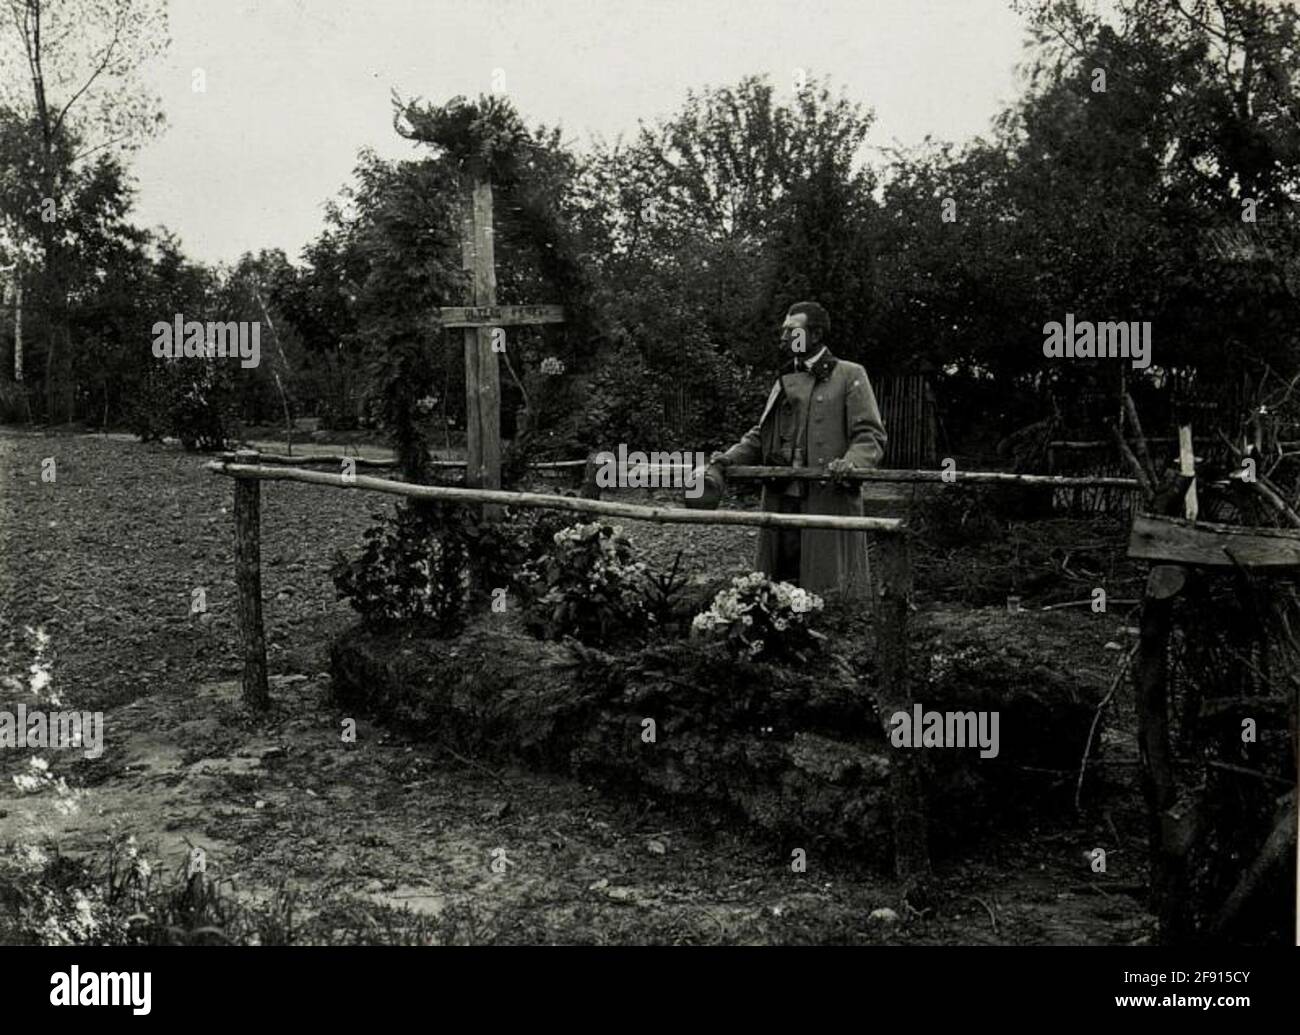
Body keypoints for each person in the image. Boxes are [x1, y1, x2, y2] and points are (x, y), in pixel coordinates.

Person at [693, 301, 887, 599]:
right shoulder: (784, 379)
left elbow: (869, 435)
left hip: (826, 498)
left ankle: (828, 621)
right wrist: (728, 458)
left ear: (816, 334)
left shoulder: (849, 374)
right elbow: (761, 435)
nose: (784, 337)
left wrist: (851, 463)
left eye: (792, 331)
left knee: (826, 585)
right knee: (781, 580)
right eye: (783, 331)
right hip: (781, 496)